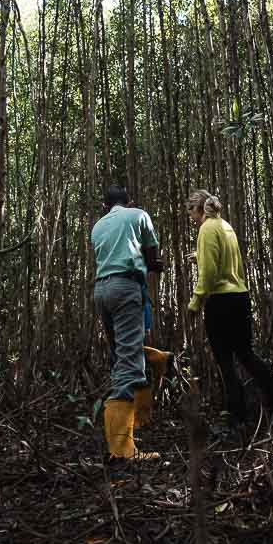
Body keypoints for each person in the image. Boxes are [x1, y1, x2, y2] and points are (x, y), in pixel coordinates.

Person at [186, 189, 273, 429]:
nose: (189, 217)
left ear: (197, 209)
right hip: (239, 297)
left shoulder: (206, 229)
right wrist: (200, 256)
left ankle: (237, 417)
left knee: (225, 361)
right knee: (246, 355)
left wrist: (195, 302)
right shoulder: (224, 226)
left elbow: (210, 274)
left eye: (189, 211)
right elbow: (226, 262)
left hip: (220, 302)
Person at [92, 186, 167, 459]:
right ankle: (123, 450)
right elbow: (152, 254)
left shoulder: (98, 226)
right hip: (125, 288)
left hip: (101, 290)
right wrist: (156, 265)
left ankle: (133, 423)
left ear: (105, 204)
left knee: (119, 356)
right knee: (128, 361)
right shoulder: (139, 215)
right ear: (129, 201)